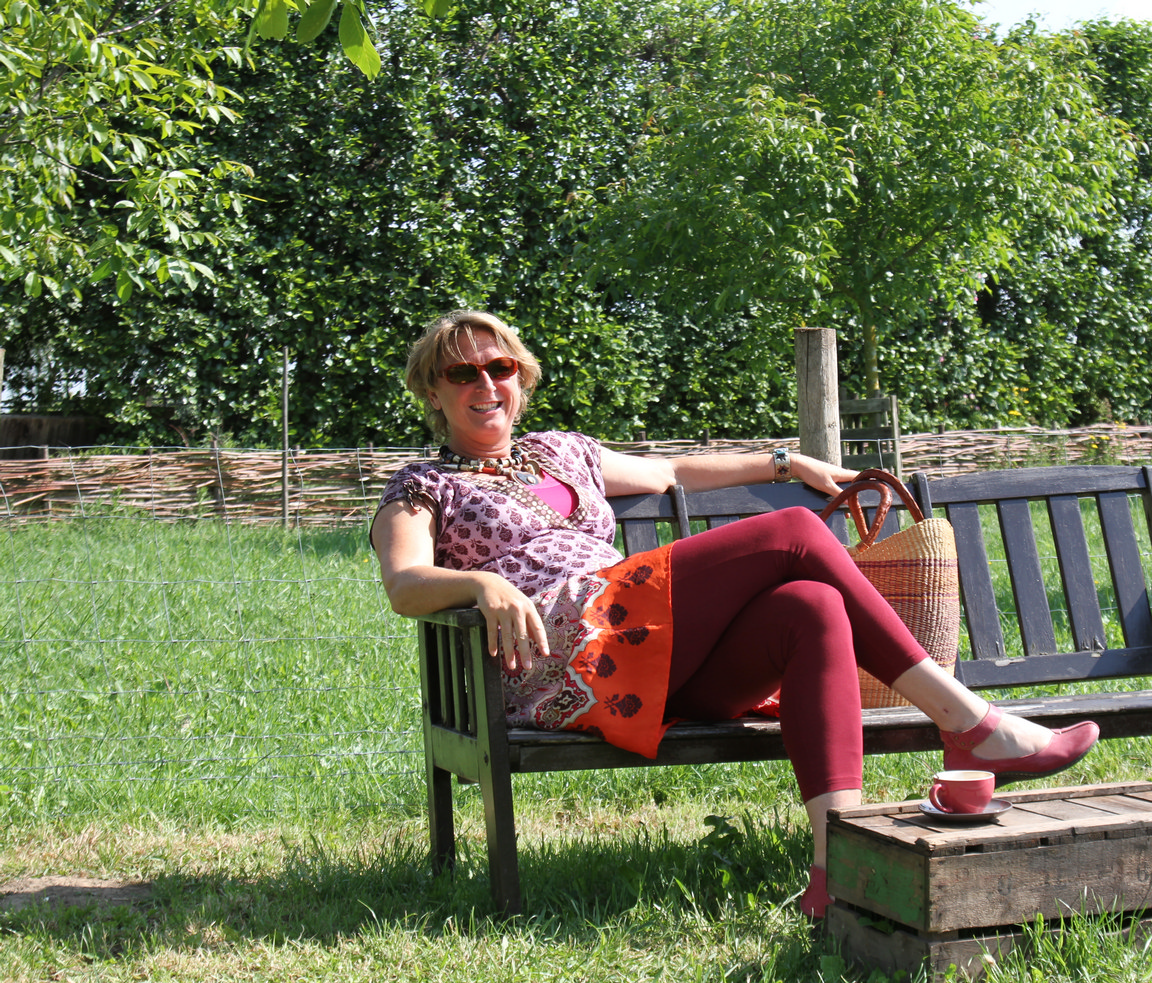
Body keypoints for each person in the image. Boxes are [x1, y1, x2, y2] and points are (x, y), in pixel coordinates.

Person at [370, 310, 1099, 920]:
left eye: (498, 367)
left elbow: (672, 472)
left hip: (652, 656)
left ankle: (835, 870)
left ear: (520, 378)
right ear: (433, 391)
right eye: (462, 373)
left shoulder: (564, 453)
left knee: (810, 606)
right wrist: (479, 583)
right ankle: (970, 724)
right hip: (568, 659)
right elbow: (404, 583)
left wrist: (789, 462)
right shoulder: (424, 486)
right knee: (797, 533)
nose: (485, 385)